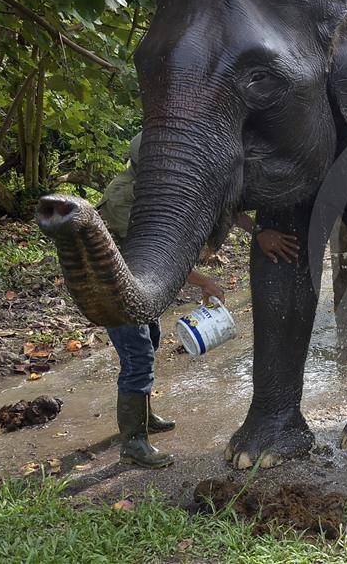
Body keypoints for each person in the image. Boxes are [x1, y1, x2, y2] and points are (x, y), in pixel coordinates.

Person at [98, 133, 298, 468]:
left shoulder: (164, 184)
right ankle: (133, 443)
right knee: (137, 358)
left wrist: (258, 232)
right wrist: (203, 281)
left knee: (151, 342)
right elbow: (147, 252)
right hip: (117, 287)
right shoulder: (123, 197)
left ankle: (143, 418)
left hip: (143, 285)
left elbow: (221, 204)